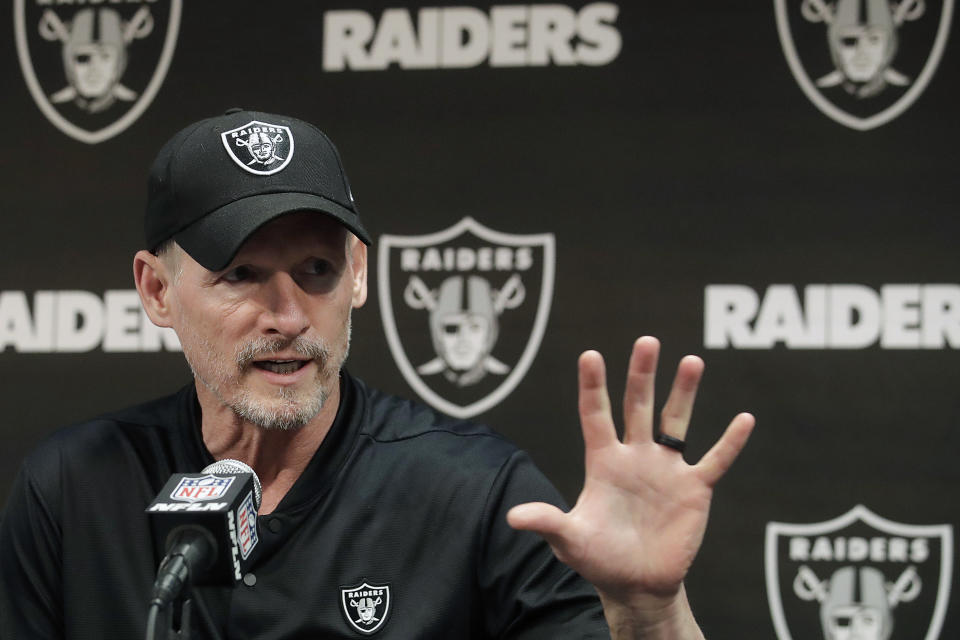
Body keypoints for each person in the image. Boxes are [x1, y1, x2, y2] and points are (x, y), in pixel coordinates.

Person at [0, 109, 755, 639]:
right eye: (241, 274)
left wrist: (650, 614)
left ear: (359, 276)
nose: (288, 316)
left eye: (318, 270)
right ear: (157, 291)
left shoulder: (475, 493)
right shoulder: (71, 489)